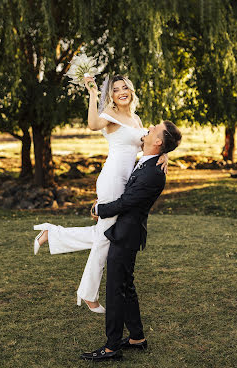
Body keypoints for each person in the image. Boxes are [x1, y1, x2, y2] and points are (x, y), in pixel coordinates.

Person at [33, 75, 168, 313]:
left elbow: (153, 141)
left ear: (131, 90)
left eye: (125, 87)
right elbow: (93, 125)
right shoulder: (110, 114)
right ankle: (89, 294)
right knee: (106, 236)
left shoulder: (135, 118)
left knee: (104, 233)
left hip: (127, 181)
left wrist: (165, 153)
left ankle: (51, 235)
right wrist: (93, 94)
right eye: (116, 89)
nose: (121, 91)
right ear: (112, 95)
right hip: (113, 177)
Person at [80, 120, 182, 362]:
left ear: (158, 141)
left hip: (126, 235)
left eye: (156, 127)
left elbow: (127, 203)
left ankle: (111, 347)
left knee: (116, 290)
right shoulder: (148, 159)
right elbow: (129, 141)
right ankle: (137, 337)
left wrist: (100, 209)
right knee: (126, 286)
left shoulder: (154, 173)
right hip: (125, 231)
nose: (151, 126)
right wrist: (165, 153)